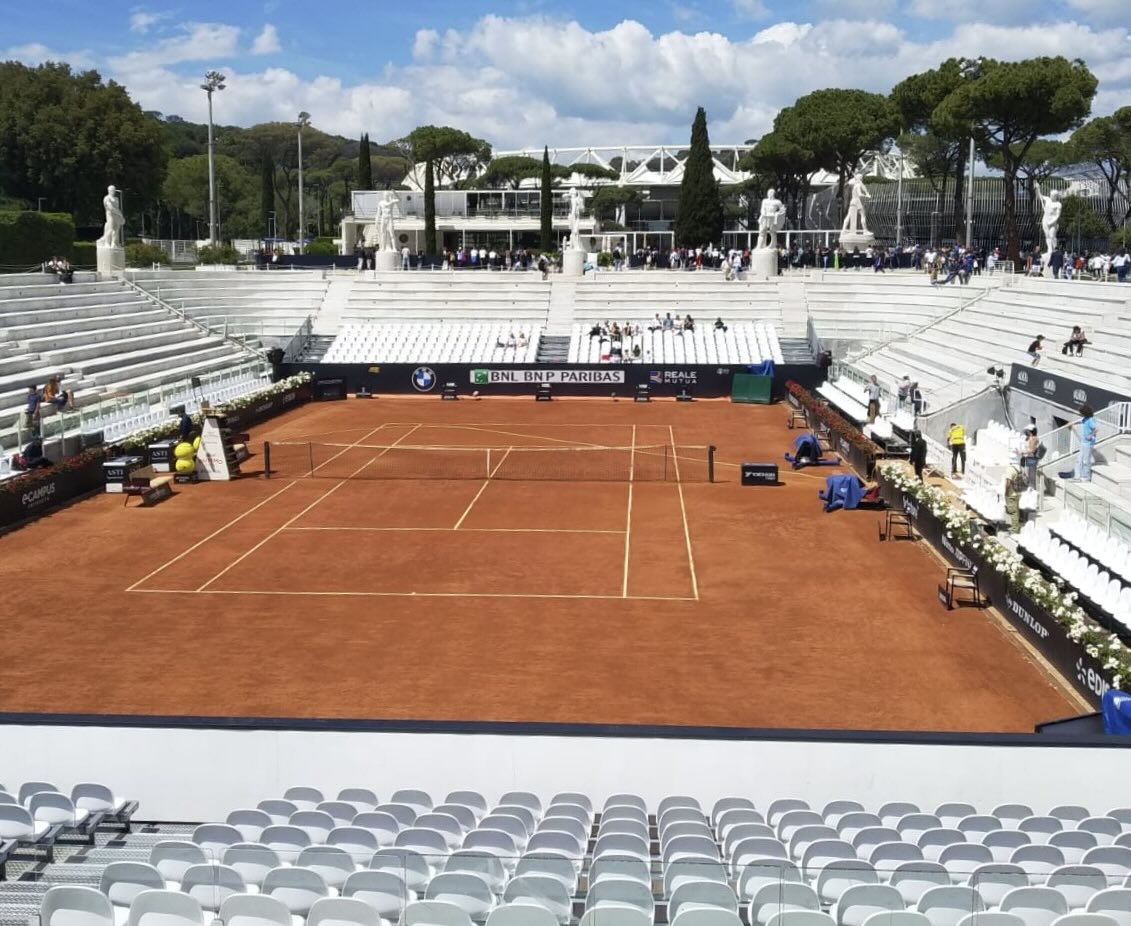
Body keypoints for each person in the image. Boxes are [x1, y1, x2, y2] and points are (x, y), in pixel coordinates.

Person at [1075, 404, 1097, 482]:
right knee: (1079, 459)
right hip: (1083, 442)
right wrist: (1071, 423)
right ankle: (1078, 475)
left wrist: (1090, 436)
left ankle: (1086, 477)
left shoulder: (1090, 420)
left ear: (1085, 412)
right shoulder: (1085, 419)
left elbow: (1096, 429)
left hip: (1088, 443)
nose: (1080, 414)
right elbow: (1079, 421)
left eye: (1081, 412)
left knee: (1085, 460)